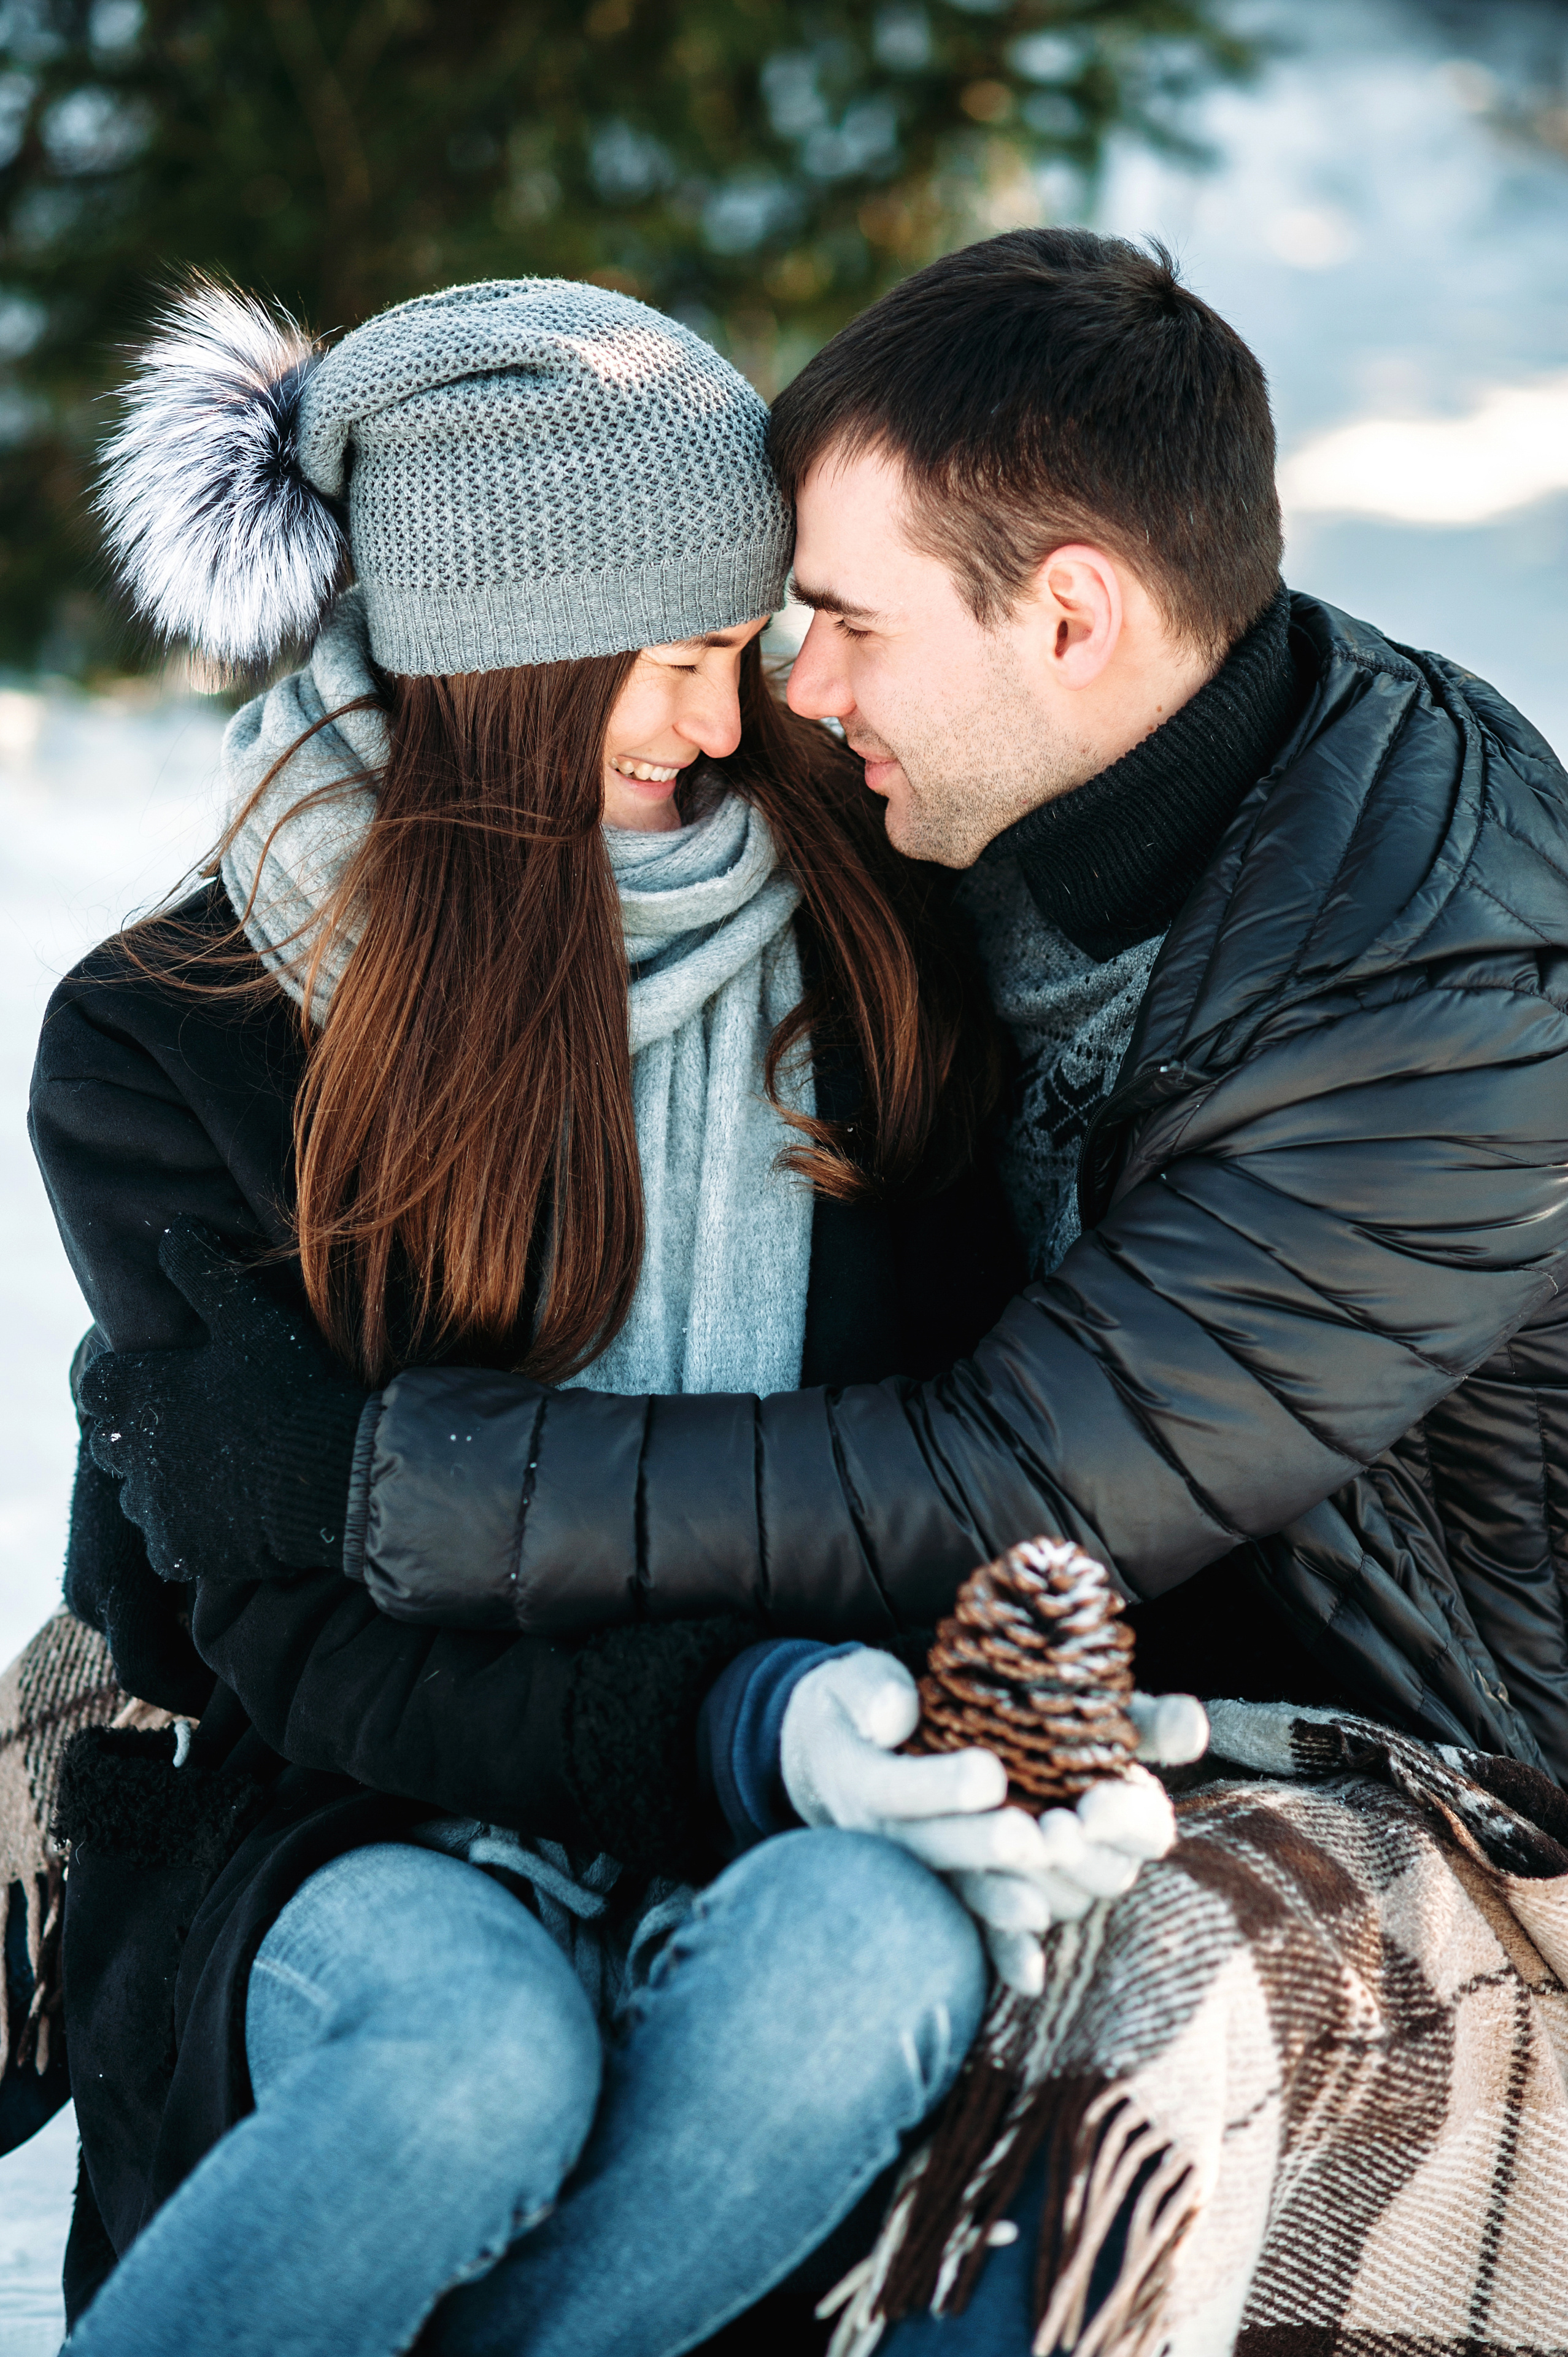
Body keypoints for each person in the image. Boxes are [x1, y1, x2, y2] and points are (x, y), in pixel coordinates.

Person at [31, 273, 1194, 2357]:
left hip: (794, 1782)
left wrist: (912, 1720)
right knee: (472, 2060)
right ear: (496, 667)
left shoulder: (864, 954)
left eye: (735, 656)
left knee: (869, 1960)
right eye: (662, 667)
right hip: (333, 1803)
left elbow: (957, 1425)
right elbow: (287, 1622)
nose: (721, 726)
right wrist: (724, 1721)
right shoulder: (169, 1043)